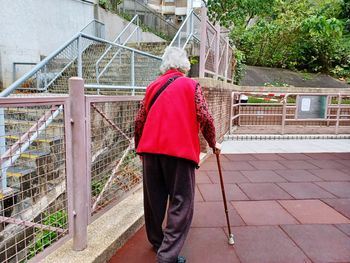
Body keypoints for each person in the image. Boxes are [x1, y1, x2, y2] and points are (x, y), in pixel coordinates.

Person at [134, 47, 221, 263]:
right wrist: (213, 143)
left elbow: (139, 120)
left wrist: (139, 147)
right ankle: (167, 256)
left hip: (150, 151)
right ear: (184, 65)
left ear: (165, 64)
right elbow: (205, 116)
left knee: (153, 202)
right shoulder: (191, 85)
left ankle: (157, 242)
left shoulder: (152, 86)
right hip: (179, 153)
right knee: (182, 203)